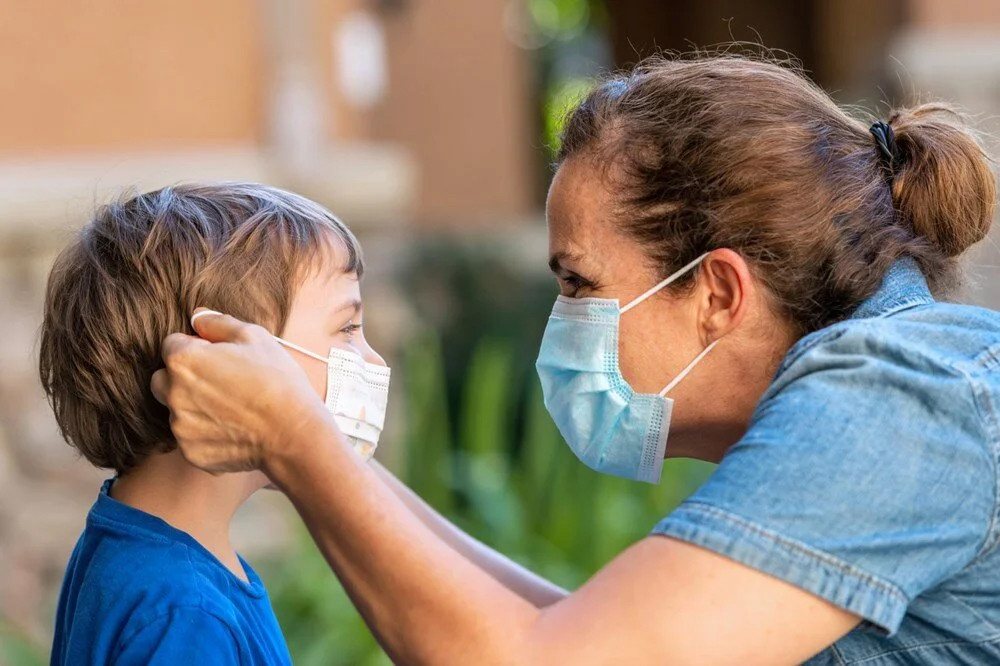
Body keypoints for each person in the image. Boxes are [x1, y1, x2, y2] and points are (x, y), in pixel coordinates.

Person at [152, 54, 1000, 664]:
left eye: (578, 282)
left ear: (717, 293)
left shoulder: (897, 399)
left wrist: (296, 446)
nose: (561, 322)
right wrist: (325, 446)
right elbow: (575, 632)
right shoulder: (877, 397)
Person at [40, 182, 385, 664]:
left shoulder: (142, 550)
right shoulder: (184, 615)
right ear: (220, 354)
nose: (372, 359)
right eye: (347, 328)